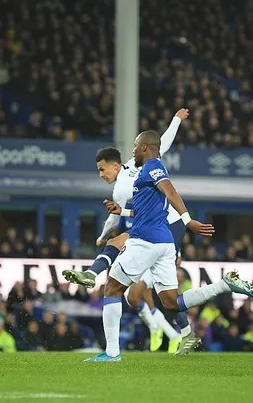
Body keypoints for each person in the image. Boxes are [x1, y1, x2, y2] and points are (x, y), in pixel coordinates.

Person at [85, 130, 253, 362]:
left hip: (145, 240)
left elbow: (170, 190)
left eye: (136, 146)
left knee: (112, 289)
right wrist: (122, 211)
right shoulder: (146, 172)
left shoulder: (152, 167)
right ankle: (224, 285)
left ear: (145, 147)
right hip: (164, 243)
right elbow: (149, 208)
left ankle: (112, 353)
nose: (134, 150)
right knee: (171, 301)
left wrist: (188, 221)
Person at [63, 109, 190, 354]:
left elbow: (119, 218)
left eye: (102, 170)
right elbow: (163, 142)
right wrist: (175, 119)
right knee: (142, 295)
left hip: (163, 225)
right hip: (167, 223)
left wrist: (102, 236)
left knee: (123, 248)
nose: (101, 175)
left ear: (114, 165)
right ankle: (180, 332)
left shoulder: (121, 189)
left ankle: (92, 272)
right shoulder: (136, 163)